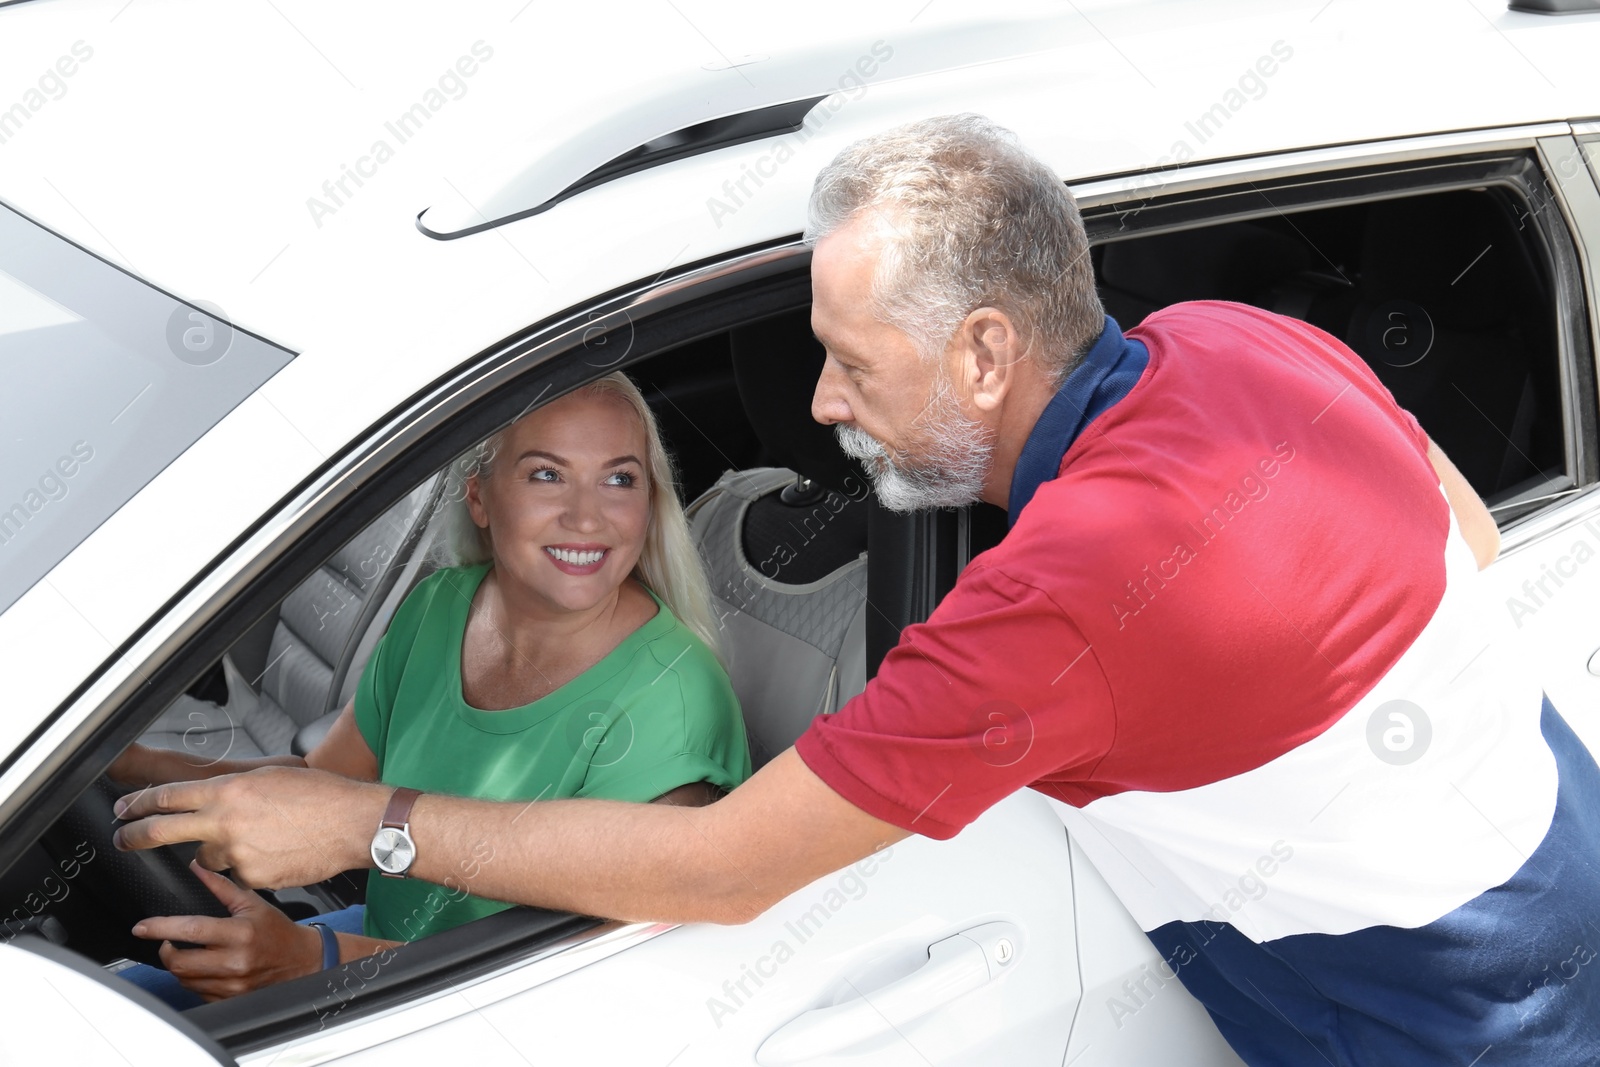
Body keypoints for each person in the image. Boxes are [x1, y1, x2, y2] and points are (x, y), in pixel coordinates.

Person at [115, 115, 1600, 1062]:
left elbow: (720, 869)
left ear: (982, 354)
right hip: (1561, 855)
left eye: (851, 359)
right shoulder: (1233, 336)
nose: (819, 403)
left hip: (1439, 1027)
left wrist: (367, 822)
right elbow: (1461, 533)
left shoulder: (1059, 604)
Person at [110, 371, 750, 1005]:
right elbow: (326, 788)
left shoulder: (672, 703)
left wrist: (315, 961)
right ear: (479, 497)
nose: (587, 517)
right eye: (547, 474)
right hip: (385, 953)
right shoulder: (443, 604)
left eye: (619, 479)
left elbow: (580, 987)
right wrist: (136, 767)